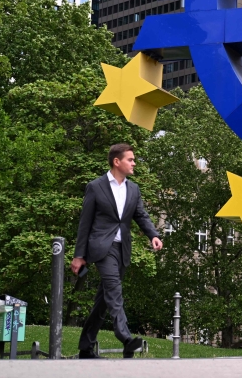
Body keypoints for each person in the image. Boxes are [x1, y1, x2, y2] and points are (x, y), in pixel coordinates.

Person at [72, 144, 163, 359]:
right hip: (102, 248)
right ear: (116, 161)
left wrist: (153, 235)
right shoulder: (96, 187)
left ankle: (85, 347)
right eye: (130, 159)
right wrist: (79, 255)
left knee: (103, 301)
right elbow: (85, 223)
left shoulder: (133, 189)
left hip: (122, 249)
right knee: (114, 290)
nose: (134, 163)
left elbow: (141, 215)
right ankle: (125, 337)